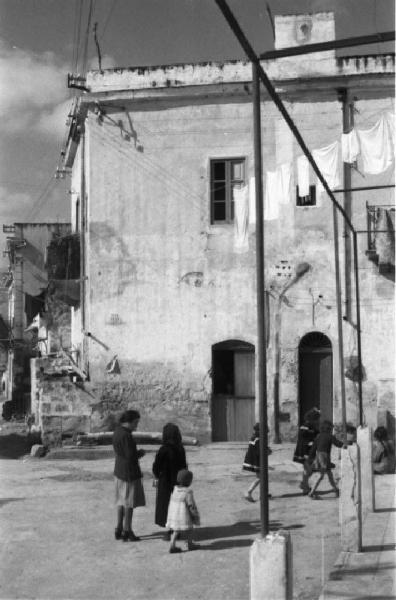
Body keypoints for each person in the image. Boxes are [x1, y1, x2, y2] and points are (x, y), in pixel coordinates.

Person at [112, 409, 146, 541]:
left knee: (121, 501)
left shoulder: (117, 431)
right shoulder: (126, 435)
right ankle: (128, 530)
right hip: (128, 473)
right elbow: (130, 456)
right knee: (129, 503)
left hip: (119, 470)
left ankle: (119, 528)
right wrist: (140, 453)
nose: (136, 425)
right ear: (129, 422)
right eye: (135, 422)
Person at [152, 423, 187, 540]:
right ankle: (175, 530)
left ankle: (170, 532)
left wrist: (157, 475)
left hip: (165, 483)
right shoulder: (180, 449)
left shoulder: (164, 450)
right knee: (177, 507)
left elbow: (156, 467)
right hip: (178, 482)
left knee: (166, 506)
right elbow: (184, 466)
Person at [307, 420, 344, 500]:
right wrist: (345, 445)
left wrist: (311, 458)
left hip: (319, 457)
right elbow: (337, 443)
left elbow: (313, 448)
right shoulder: (330, 436)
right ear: (329, 428)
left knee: (330, 475)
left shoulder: (319, 436)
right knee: (321, 475)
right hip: (324, 458)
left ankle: (336, 490)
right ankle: (312, 492)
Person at [166, 469, 200, 553]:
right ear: (188, 481)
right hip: (184, 516)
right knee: (190, 530)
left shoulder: (175, 490)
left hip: (174, 515)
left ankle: (172, 545)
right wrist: (195, 516)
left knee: (175, 530)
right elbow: (191, 505)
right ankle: (190, 544)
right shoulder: (188, 492)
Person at [293, 407, 321, 494]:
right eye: (317, 419)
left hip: (309, 451)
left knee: (310, 469)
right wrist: (311, 442)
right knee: (308, 469)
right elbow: (303, 439)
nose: (318, 421)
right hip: (304, 451)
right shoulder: (305, 427)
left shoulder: (313, 427)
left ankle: (304, 483)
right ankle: (305, 487)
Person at [242, 422, 272, 502]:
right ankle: (248, 492)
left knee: (263, 477)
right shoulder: (259, 439)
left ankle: (264, 493)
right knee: (261, 477)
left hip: (255, 460)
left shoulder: (255, 437)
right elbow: (260, 451)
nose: (267, 432)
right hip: (256, 461)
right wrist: (268, 451)